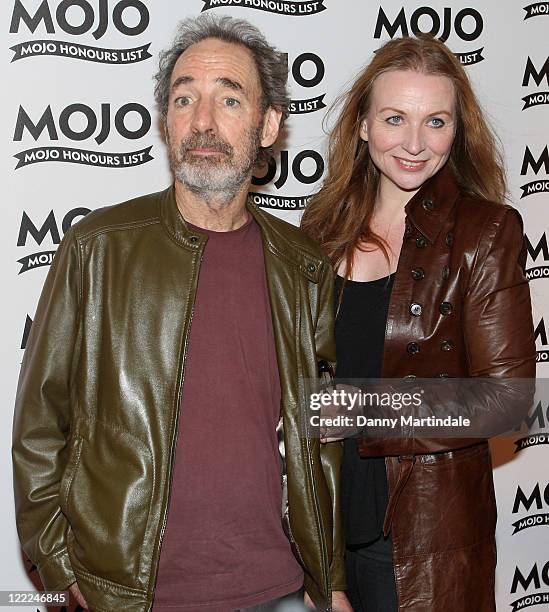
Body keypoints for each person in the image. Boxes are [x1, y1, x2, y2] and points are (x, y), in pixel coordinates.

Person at [12, 15, 352, 612]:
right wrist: (60, 563)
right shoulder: (98, 247)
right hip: (132, 595)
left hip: (277, 590)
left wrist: (333, 579)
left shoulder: (303, 267)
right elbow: (40, 423)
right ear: (166, 122)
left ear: (269, 124)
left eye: (228, 98)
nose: (203, 122)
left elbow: (318, 444)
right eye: (184, 98)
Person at [301, 35, 536, 611]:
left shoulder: (485, 232)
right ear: (361, 125)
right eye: (394, 118)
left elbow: (511, 402)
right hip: (324, 534)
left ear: (456, 132)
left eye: (435, 121)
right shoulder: (319, 230)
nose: (413, 143)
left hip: (421, 544)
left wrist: (363, 407)